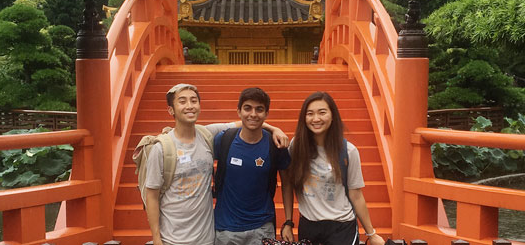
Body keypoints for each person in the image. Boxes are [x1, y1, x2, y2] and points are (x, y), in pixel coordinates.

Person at [143, 83, 288, 245]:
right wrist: (156, 238)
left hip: (206, 236)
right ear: (171, 110)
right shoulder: (161, 148)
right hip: (172, 237)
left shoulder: (206, 135)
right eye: (182, 101)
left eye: (193, 101)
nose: (189, 106)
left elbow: (246, 121)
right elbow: (151, 195)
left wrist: (274, 129)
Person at [280, 91, 385, 245]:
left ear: (333, 115)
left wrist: (372, 233)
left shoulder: (348, 151)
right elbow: (287, 184)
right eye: (310, 114)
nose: (316, 119)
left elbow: (356, 195)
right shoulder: (297, 147)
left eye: (322, 112)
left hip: (341, 227)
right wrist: (288, 222)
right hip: (309, 225)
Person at [213, 87, 291, 245]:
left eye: (259, 109)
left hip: (262, 227)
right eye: (247, 108)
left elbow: (287, 184)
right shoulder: (224, 140)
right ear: (239, 111)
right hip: (226, 229)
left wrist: (288, 221)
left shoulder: (274, 144)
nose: (253, 114)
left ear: (266, 114)